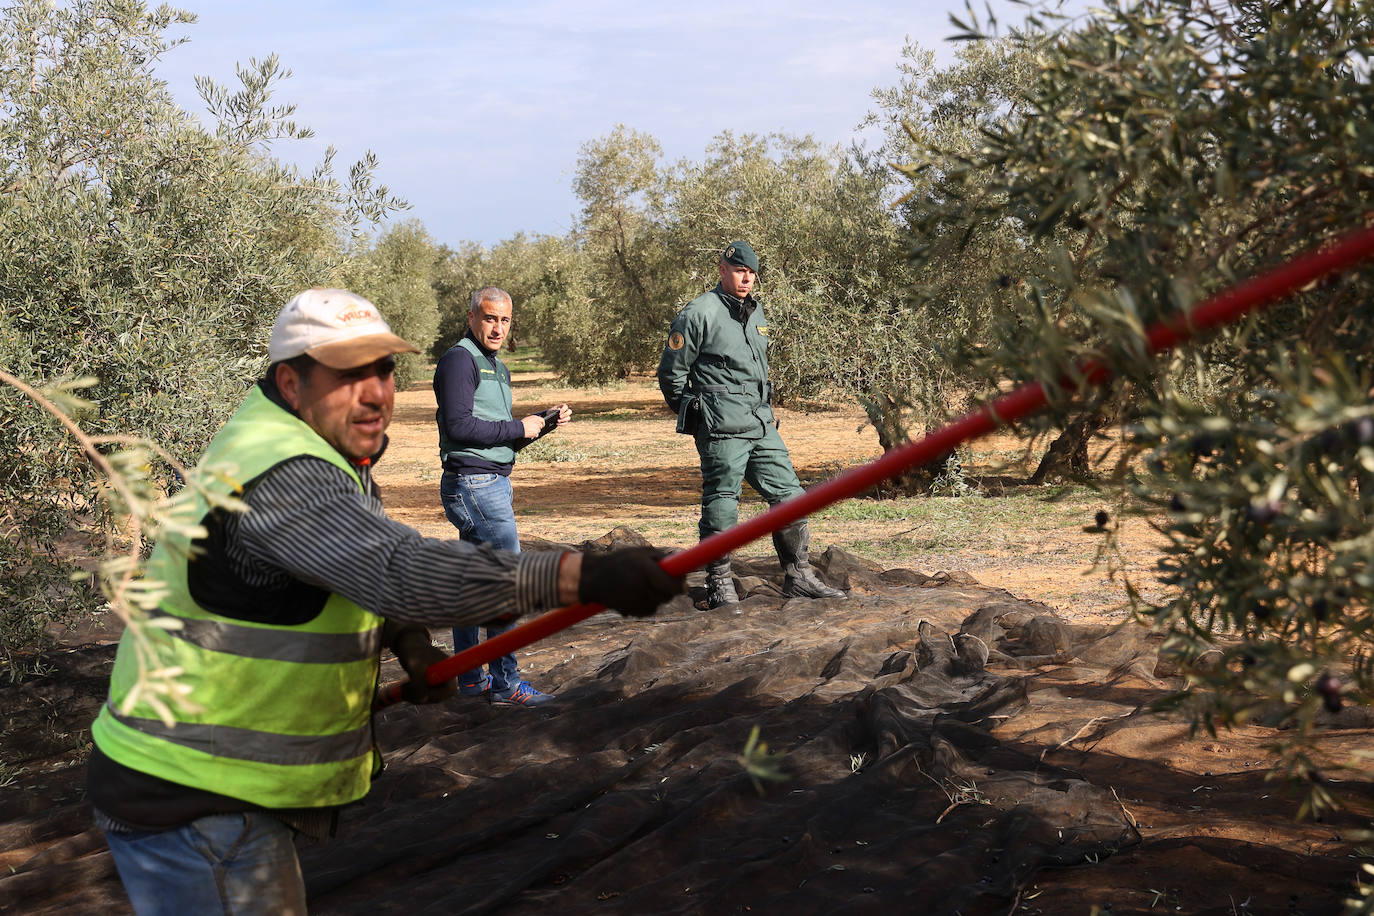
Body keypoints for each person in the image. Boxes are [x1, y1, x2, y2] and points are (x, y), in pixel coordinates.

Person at [87, 288, 683, 915]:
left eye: (384, 369)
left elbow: (353, 562)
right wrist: (581, 577)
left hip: (215, 781)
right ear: (291, 383)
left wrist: (408, 641)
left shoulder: (315, 443)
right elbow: (399, 567)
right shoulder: (282, 471)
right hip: (191, 790)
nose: (375, 392)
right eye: (348, 374)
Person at [657, 241, 847, 609]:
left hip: (761, 422)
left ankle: (798, 575)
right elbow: (672, 375)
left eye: (752, 272)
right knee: (722, 502)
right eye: (739, 270)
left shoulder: (755, 313)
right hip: (721, 426)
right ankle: (719, 583)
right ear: (722, 270)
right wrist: (698, 416)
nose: (747, 278)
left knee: (790, 496)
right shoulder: (698, 313)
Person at [434, 286, 571, 706]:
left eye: (505, 320)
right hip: (475, 487)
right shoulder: (460, 360)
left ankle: (472, 680)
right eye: (490, 318)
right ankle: (506, 685)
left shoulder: (498, 367)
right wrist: (518, 426)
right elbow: (459, 428)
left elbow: (495, 440)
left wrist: (540, 425)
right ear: (472, 318)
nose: (497, 327)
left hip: (488, 482)